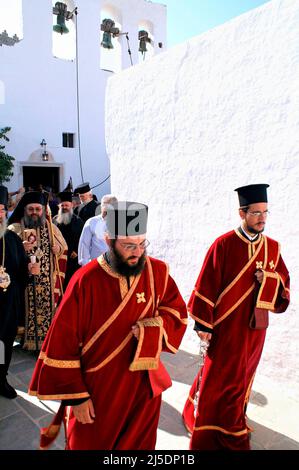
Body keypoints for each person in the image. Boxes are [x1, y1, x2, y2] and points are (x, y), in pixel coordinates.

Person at [29, 201, 188, 450]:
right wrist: (78, 396)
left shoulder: (158, 271)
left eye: (141, 244)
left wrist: (152, 329)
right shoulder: (85, 280)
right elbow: (62, 342)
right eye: (128, 246)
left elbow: (176, 312)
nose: (137, 252)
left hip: (143, 387)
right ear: (108, 240)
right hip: (98, 389)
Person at [182, 184, 290, 450]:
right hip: (225, 328)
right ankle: (209, 424)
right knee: (218, 376)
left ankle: (233, 419)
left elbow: (284, 288)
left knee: (242, 377)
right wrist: (203, 324)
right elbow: (206, 284)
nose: (262, 218)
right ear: (242, 214)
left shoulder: (273, 248)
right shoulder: (223, 244)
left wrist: (269, 279)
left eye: (265, 212)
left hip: (255, 328)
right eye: (256, 213)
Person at [7, 191, 67, 351]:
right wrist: (20, 248)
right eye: (31, 209)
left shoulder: (51, 228)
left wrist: (58, 248)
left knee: (48, 310)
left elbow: (64, 247)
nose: (34, 212)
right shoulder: (15, 228)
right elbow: (6, 254)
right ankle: (25, 339)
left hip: (47, 280)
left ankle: (46, 342)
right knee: (22, 309)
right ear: (25, 210)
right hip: (24, 281)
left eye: (38, 209)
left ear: (43, 210)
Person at [0, 186, 39, 398]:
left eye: (1, 209)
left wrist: (30, 272)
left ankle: (0, 377)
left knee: (3, 342)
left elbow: (22, 273)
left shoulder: (12, 238)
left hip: (8, 304)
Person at [53, 192, 84, 288]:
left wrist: (76, 250)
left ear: (71, 205)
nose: (64, 207)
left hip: (72, 258)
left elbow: (82, 239)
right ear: (59, 206)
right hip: (58, 257)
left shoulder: (78, 221)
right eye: (62, 205)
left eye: (67, 205)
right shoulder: (54, 220)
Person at [78, 194, 117, 266]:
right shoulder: (91, 222)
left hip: (116, 266)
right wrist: (86, 265)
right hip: (96, 265)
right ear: (101, 206)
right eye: (105, 209)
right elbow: (84, 245)